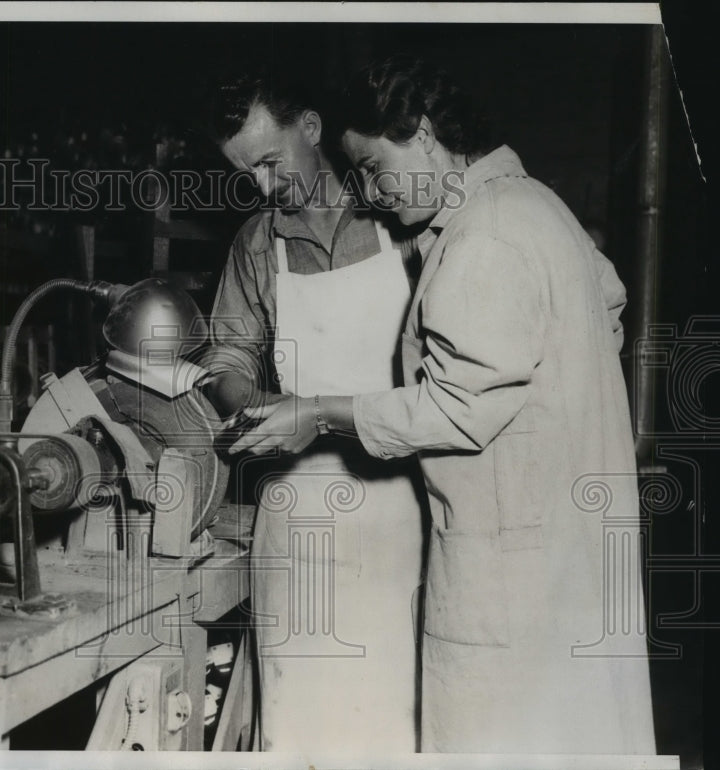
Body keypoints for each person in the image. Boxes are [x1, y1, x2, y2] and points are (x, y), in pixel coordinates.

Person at [231, 54, 657, 754]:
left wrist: (318, 412)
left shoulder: (483, 232)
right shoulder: (533, 204)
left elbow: (457, 409)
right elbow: (607, 302)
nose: (370, 189)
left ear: (424, 133)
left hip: (511, 583)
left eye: (373, 167)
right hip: (563, 556)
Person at [201, 71, 427, 752]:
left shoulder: (398, 221)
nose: (265, 186)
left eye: (271, 163)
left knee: (387, 723)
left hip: (399, 506)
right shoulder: (257, 244)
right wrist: (258, 405)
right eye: (248, 173)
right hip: (296, 512)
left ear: (311, 127)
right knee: (296, 727)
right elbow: (225, 362)